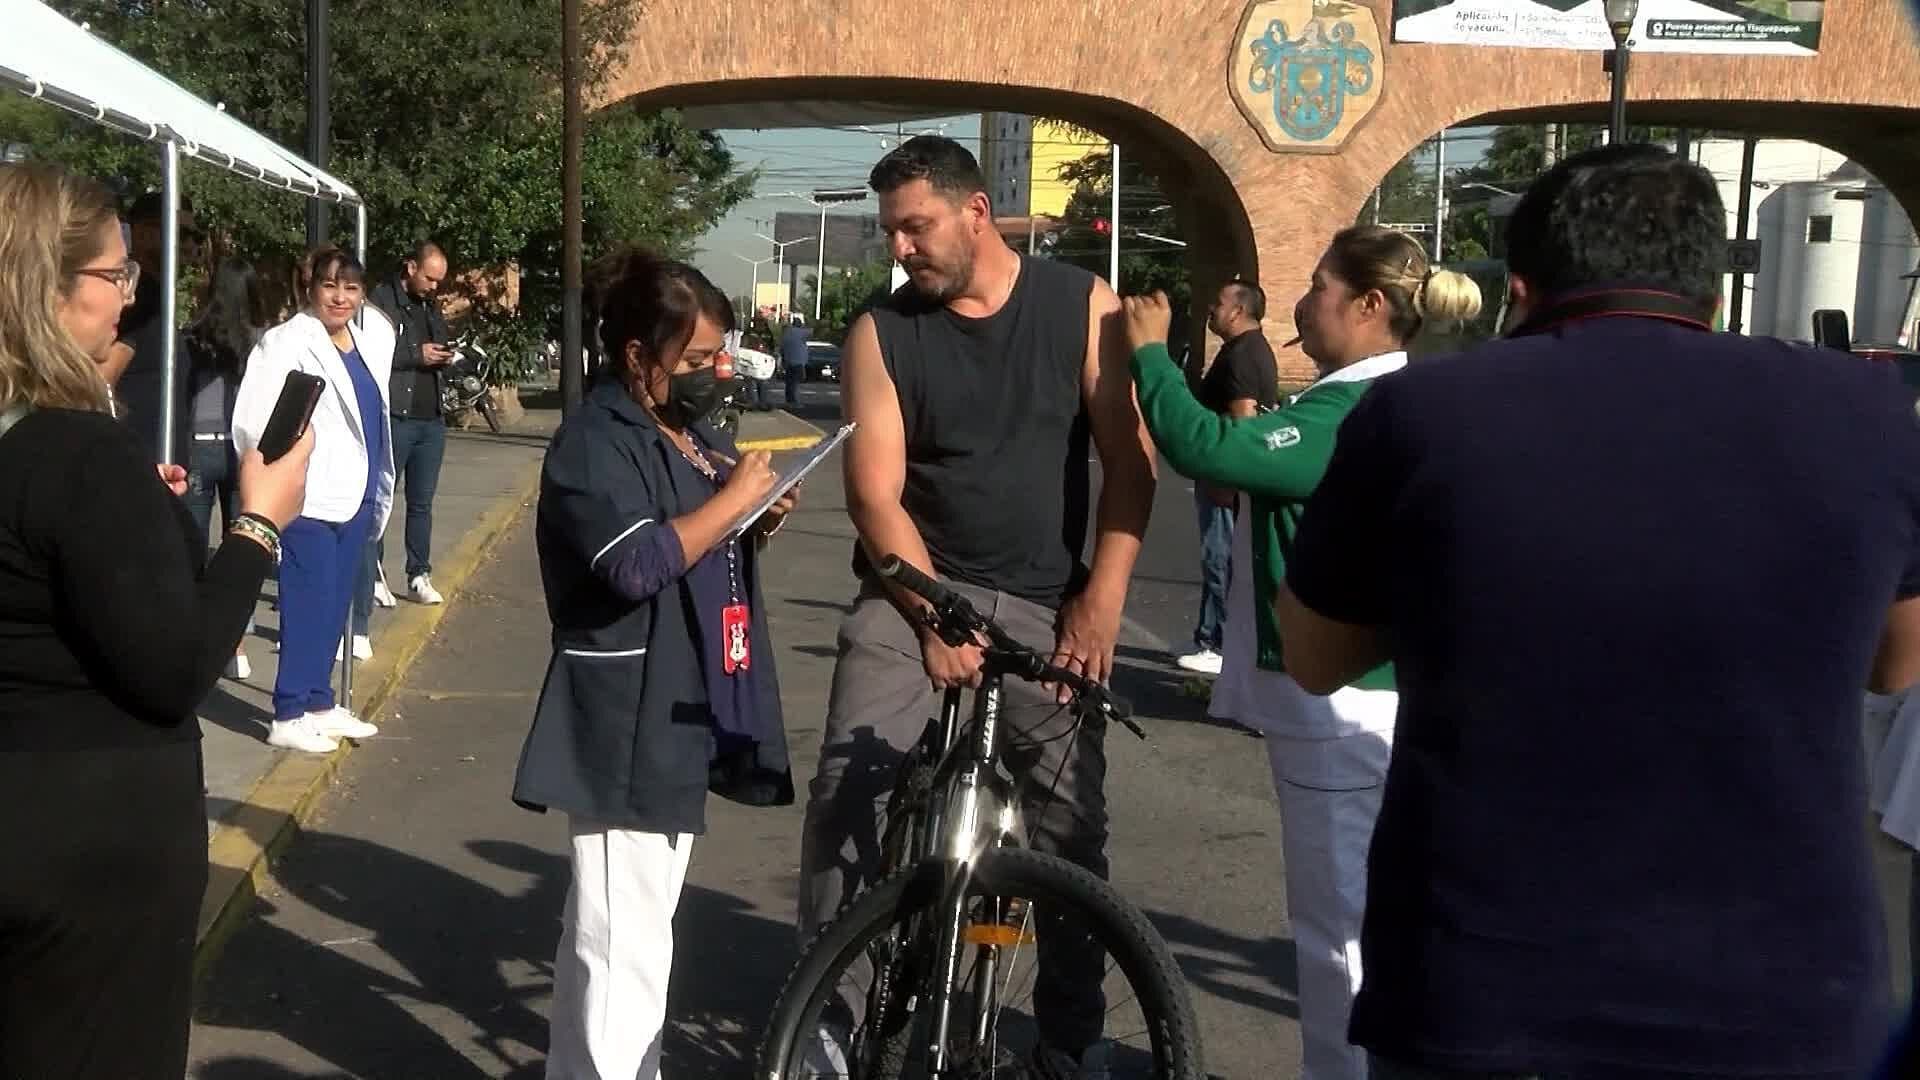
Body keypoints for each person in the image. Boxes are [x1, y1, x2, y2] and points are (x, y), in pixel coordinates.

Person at [1278, 144, 1918, 1079]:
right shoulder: (1863, 408)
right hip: (1784, 995)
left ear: (1526, 287)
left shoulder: (1422, 414)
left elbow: (1313, 652)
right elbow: (1899, 660)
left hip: (1488, 988)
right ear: (1710, 285)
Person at [801, 135, 1155, 1075]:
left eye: (915, 228)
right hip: (916, 584)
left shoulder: (1082, 306)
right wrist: (931, 618)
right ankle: (826, 1030)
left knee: (1070, 833)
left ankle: (1072, 1041)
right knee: (849, 791)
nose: (900, 250)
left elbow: (1130, 463)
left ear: (975, 214)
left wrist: (1102, 602)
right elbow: (874, 494)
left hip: (1050, 596)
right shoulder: (882, 332)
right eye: (892, 233)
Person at [1122, 227, 1479, 1080]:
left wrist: (1149, 358)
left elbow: (1215, 451)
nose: (1302, 300)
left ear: (1371, 305)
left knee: (1337, 936)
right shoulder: (1388, 397)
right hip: (1376, 695)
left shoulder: (1359, 406)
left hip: (1343, 704)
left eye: (1319, 284)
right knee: (1375, 923)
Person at [0, 162, 310, 1079]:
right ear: (47, 287)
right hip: (89, 852)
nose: (129, 296)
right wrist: (256, 525)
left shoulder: (41, 442)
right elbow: (173, 665)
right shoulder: (79, 451)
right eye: (117, 274)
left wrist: (145, 516)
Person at [511, 249, 795, 1080]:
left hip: (678, 700)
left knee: (613, 931)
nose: (716, 372)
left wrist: (751, 517)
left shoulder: (682, 427)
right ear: (638, 355)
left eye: (721, 354)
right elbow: (635, 564)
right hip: (624, 710)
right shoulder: (593, 441)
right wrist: (730, 504)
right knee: (623, 943)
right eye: (698, 357)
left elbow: (696, 528)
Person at [233, 247, 395, 755]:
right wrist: (275, 485)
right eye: (330, 286)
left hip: (357, 493)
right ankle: (287, 711)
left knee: (335, 603)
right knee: (306, 601)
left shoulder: (366, 341)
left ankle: (319, 702)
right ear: (310, 288)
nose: (340, 297)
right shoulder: (286, 342)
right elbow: (254, 420)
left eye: (350, 287)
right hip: (309, 495)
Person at [1173, 279, 1280, 676]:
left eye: (1217, 303)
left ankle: (1219, 642)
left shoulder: (1243, 357)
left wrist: (1227, 478)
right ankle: (1208, 633)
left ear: (1238, 310)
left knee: (1221, 560)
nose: (1210, 310)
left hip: (1225, 480)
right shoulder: (1243, 349)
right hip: (1218, 474)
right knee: (1215, 557)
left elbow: (1244, 422)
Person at [184, 258, 273, 680]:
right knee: (243, 541)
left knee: (193, 544)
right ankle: (236, 635)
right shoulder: (261, 342)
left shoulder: (193, 337)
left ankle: (197, 628)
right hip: (243, 448)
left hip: (199, 445)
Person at [368, 241, 452, 606]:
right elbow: (374, 353)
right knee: (382, 498)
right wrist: (416, 355)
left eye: (439, 281)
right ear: (411, 267)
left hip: (430, 417)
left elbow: (441, 339)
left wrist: (446, 354)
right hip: (396, 415)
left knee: (422, 502)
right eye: (430, 278)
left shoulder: (429, 305)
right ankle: (372, 571)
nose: (435, 286)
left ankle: (419, 573)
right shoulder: (381, 302)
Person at [109, 190, 199, 461]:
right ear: (145, 232)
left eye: (195, 237)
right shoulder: (140, 297)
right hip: (138, 464)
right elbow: (100, 379)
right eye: (181, 234)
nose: (189, 245)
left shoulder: (157, 295)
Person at [780, 313, 810, 407]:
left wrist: (783, 360)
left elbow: (782, 348)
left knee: (789, 383)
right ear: (800, 324)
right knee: (795, 383)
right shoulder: (802, 333)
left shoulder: (787, 333)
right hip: (799, 362)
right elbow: (813, 331)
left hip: (789, 360)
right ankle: (795, 402)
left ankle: (788, 401)